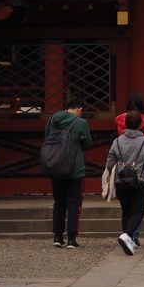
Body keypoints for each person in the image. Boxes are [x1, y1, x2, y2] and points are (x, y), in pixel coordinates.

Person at [45, 95, 92, 248]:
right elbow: (87, 144)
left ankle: (57, 237)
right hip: (75, 168)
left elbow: (46, 138)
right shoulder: (80, 123)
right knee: (74, 203)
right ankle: (71, 238)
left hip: (55, 166)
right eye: (81, 110)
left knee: (59, 202)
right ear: (78, 108)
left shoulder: (52, 120)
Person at [106, 110, 144, 256]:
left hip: (121, 180)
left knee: (126, 211)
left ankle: (128, 240)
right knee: (138, 211)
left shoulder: (117, 141)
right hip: (140, 179)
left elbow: (109, 163)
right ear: (140, 124)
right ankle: (127, 235)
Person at [114, 93, 144, 247]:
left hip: (121, 172)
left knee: (126, 209)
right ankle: (132, 236)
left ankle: (127, 235)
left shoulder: (118, 123)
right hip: (140, 171)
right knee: (138, 208)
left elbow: (112, 152)